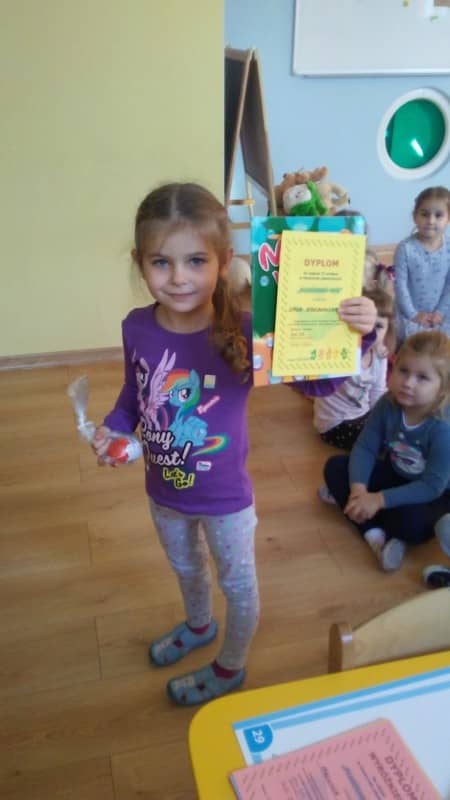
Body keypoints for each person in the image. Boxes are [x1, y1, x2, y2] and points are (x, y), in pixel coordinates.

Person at [92, 182, 377, 706]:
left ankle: (230, 665)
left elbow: (318, 385)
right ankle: (200, 626)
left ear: (224, 262)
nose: (179, 278)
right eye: (161, 262)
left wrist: (356, 334)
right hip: (163, 491)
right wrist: (115, 425)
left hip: (226, 501)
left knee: (239, 587)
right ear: (140, 263)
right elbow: (136, 391)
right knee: (185, 569)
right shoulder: (137, 327)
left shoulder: (247, 332)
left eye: (196, 261)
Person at [322, 331, 450, 572]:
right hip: (396, 474)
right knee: (335, 467)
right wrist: (359, 490)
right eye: (403, 371)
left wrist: (379, 499)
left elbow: (432, 486)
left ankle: (360, 510)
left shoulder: (443, 427)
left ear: (443, 388)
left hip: (435, 493)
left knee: (409, 524)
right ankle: (374, 533)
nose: (408, 383)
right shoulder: (387, 404)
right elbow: (365, 447)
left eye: (422, 377)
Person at [314, 288, 394, 453]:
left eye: (378, 326)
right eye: (366, 324)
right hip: (335, 423)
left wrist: (383, 419)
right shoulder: (343, 352)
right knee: (383, 444)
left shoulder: (379, 356)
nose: (370, 331)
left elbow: (377, 393)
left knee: (396, 428)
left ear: (388, 330)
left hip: (362, 415)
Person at [394, 186, 450, 342]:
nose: (431, 221)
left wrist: (440, 312)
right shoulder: (405, 248)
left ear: (448, 218)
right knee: (414, 342)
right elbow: (400, 286)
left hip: (442, 313)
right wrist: (413, 314)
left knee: (442, 343)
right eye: (424, 214)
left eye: (438, 215)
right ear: (415, 216)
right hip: (410, 314)